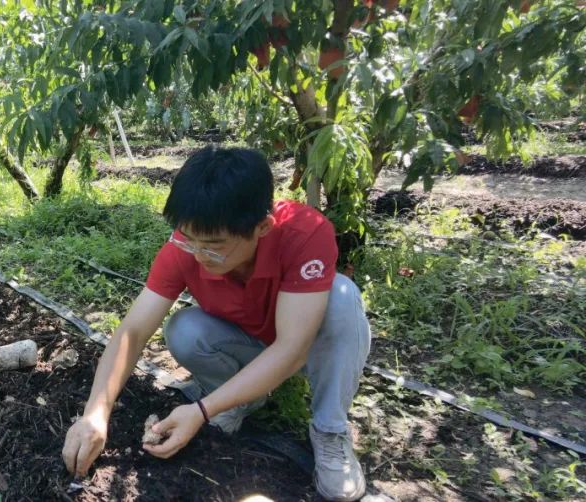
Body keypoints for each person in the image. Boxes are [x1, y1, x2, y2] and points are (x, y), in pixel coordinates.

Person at [61, 147, 371, 501]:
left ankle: (329, 430)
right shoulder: (186, 248)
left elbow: (291, 347)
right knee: (183, 330)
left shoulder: (305, 234)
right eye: (187, 238)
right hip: (252, 343)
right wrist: (95, 413)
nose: (197, 253)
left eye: (213, 246)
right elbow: (132, 332)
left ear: (262, 228)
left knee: (343, 297)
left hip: (304, 347)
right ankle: (239, 399)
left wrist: (201, 411)